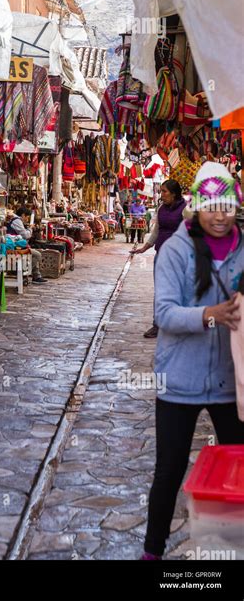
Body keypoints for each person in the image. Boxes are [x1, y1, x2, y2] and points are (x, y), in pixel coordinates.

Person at [141, 162, 244, 560]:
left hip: (227, 381)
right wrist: (210, 314)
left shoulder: (241, 250)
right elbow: (164, 314)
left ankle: (229, 550)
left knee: (238, 467)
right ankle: (153, 552)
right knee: (168, 472)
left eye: (227, 205)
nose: (220, 214)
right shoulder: (175, 250)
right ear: (198, 204)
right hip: (178, 382)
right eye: (212, 204)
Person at [131, 180, 187, 338]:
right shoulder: (162, 209)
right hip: (161, 254)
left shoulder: (185, 210)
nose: (161, 195)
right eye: (161, 191)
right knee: (160, 291)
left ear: (174, 193)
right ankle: (157, 325)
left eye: (164, 192)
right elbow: (156, 232)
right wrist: (144, 248)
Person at [6, 206, 48, 284]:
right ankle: (26, 275)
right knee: (37, 255)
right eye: (27, 217)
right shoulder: (17, 221)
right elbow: (26, 235)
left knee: (34, 254)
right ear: (23, 215)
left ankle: (34, 276)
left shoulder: (17, 220)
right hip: (14, 248)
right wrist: (30, 229)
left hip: (16, 246)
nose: (27, 219)